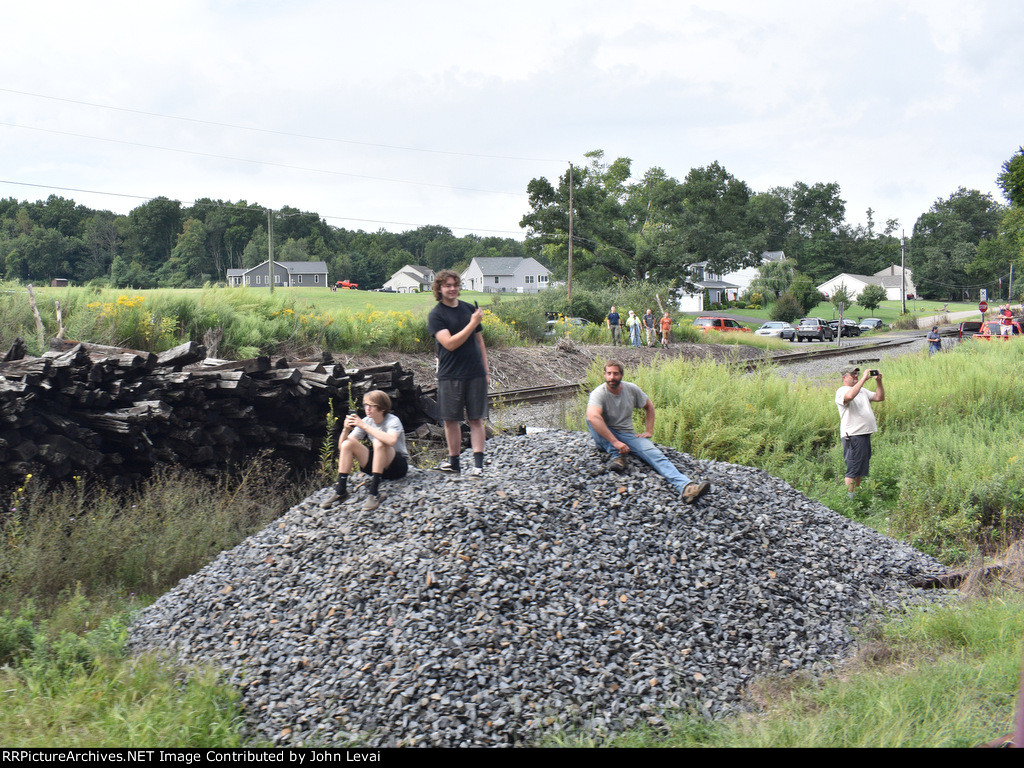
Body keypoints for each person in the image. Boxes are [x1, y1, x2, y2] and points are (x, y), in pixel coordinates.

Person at [586, 360, 711, 504]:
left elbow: (649, 406)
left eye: (615, 374)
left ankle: (686, 487)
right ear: (604, 374)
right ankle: (616, 454)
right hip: (605, 436)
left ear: (622, 375)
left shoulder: (631, 389)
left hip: (627, 435)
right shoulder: (599, 393)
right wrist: (615, 442)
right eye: (609, 374)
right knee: (591, 419)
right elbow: (593, 416)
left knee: (655, 454)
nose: (612, 377)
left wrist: (649, 430)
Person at [427, 269, 489, 476]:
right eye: (448, 285)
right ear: (439, 289)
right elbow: (450, 344)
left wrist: (486, 370)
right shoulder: (436, 315)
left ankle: (478, 466)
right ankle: (454, 463)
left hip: (475, 373)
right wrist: (473, 323)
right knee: (451, 420)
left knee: (476, 419)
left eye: (455, 285)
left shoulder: (469, 309)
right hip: (450, 374)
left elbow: (480, 342)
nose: (452, 289)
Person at [321, 390, 409, 511]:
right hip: (378, 465)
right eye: (365, 405)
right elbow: (343, 447)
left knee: (379, 441)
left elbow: (391, 440)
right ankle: (341, 491)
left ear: (382, 408)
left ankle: (374, 493)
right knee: (348, 443)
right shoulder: (367, 421)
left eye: (371, 405)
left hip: (397, 466)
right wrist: (345, 430)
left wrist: (364, 426)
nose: (367, 408)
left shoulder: (392, 420)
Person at [835, 365, 884, 497]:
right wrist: (863, 379)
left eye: (857, 373)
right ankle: (850, 500)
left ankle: (856, 496)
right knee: (853, 469)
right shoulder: (842, 390)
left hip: (864, 434)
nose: (856, 376)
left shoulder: (862, 391)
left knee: (860, 469)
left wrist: (878, 381)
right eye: (853, 374)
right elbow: (849, 396)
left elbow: (879, 397)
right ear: (844, 377)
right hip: (853, 435)